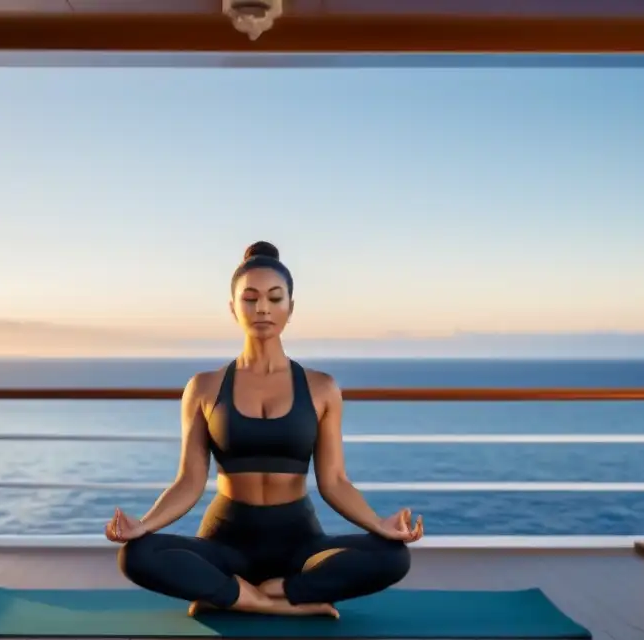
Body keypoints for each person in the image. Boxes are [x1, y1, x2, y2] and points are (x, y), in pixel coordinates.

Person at [106, 241, 424, 618]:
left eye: (275, 299)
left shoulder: (322, 388)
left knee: (393, 557)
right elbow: (189, 481)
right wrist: (142, 526)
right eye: (250, 298)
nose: (262, 309)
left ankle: (239, 594)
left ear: (291, 307)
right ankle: (277, 602)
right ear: (232, 307)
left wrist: (378, 524)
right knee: (136, 555)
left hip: (299, 543)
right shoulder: (204, 387)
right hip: (225, 542)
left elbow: (335, 481)